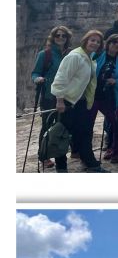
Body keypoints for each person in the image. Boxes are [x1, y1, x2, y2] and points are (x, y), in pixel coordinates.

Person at [50, 29, 107, 172]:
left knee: (85, 133)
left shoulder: (88, 57)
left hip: (81, 102)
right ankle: (62, 169)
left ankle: (90, 163)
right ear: (86, 40)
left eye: (98, 41)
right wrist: (60, 101)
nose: (94, 43)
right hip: (68, 102)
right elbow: (61, 78)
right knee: (63, 135)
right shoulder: (75, 56)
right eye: (92, 40)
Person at [31, 25, 72, 166]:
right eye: (57, 35)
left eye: (63, 36)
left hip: (67, 96)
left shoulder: (70, 54)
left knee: (65, 125)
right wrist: (37, 79)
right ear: (53, 37)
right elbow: (35, 73)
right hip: (49, 95)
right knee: (47, 125)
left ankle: (61, 152)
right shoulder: (45, 54)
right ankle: (43, 156)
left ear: (67, 38)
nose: (60, 38)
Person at [89, 34, 118, 164]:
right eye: (114, 42)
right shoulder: (96, 55)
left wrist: (115, 81)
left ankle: (117, 153)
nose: (116, 44)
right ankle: (87, 157)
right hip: (93, 96)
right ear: (108, 43)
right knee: (88, 125)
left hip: (110, 97)